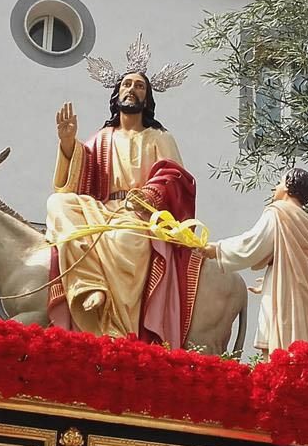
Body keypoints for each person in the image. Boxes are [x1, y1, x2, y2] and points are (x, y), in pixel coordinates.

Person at [46, 36, 198, 345]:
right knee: (58, 203)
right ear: (117, 95)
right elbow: (73, 181)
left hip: (141, 215)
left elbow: (176, 177)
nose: (132, 89)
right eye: (127, 84)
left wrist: (145, 198)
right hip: (101, 209)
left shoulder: (159, 138)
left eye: (139, 86)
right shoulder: (102, 138)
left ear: (147, 98)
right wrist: (66, 144)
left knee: (125, 239)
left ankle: (120, 329)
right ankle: (90, 285)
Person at [199, 169, 308, 357]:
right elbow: (306, 268)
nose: (275, 187)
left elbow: (253, 244)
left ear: (287, 186)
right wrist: (273, 278)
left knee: (275, 358)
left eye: (279, 182)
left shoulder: (279, 214)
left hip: (284, 300)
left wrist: (217, 250)